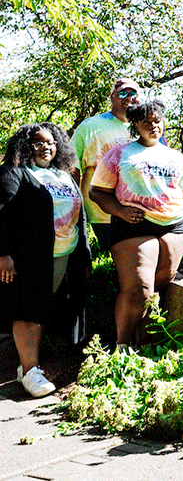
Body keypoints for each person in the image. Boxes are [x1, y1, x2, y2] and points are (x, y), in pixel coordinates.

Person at [89, 101, 183, 346]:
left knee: (159, 286)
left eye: (157, 121)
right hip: (134, 225)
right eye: (146, 122)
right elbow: (96, 191)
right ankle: (121, 347)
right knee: (139, 289)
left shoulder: (176, 156)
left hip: (175, 226)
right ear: (136, 125)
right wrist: (119, 211)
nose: (153, 126)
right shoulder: (119, 154)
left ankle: (143, 347)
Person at [1, 123, 89, 398]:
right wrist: (3, 255)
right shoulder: (15, 173)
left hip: (65, 253)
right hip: (30, 257)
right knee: (28, 311)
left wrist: (84, 252)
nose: (46, 147)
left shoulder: (63, 175)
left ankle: (28, 365)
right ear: (25, 146)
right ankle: (30, 371)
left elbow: (80, 216)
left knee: (42, 310)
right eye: (38, 142)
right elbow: (0, 215)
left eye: (51, 142)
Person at [71, 78, 142, 251]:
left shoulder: (147, 125)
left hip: (141, 209)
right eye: (123, 93)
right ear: (111, 98)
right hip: (102, 213)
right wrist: (74, 207)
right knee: (119, 258)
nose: (129, 97)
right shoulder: (90, 126)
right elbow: (71, 166)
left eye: (133, 93)